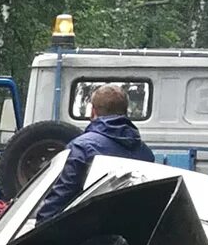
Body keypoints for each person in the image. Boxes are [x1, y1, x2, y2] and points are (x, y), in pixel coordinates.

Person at [32, 83, 155, 224]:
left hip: (88, 236)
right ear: (126, 112)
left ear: (92, 112)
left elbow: (60, 197)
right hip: (130, 235)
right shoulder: (146, 153)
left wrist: (40, 230)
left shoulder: (81, 148)